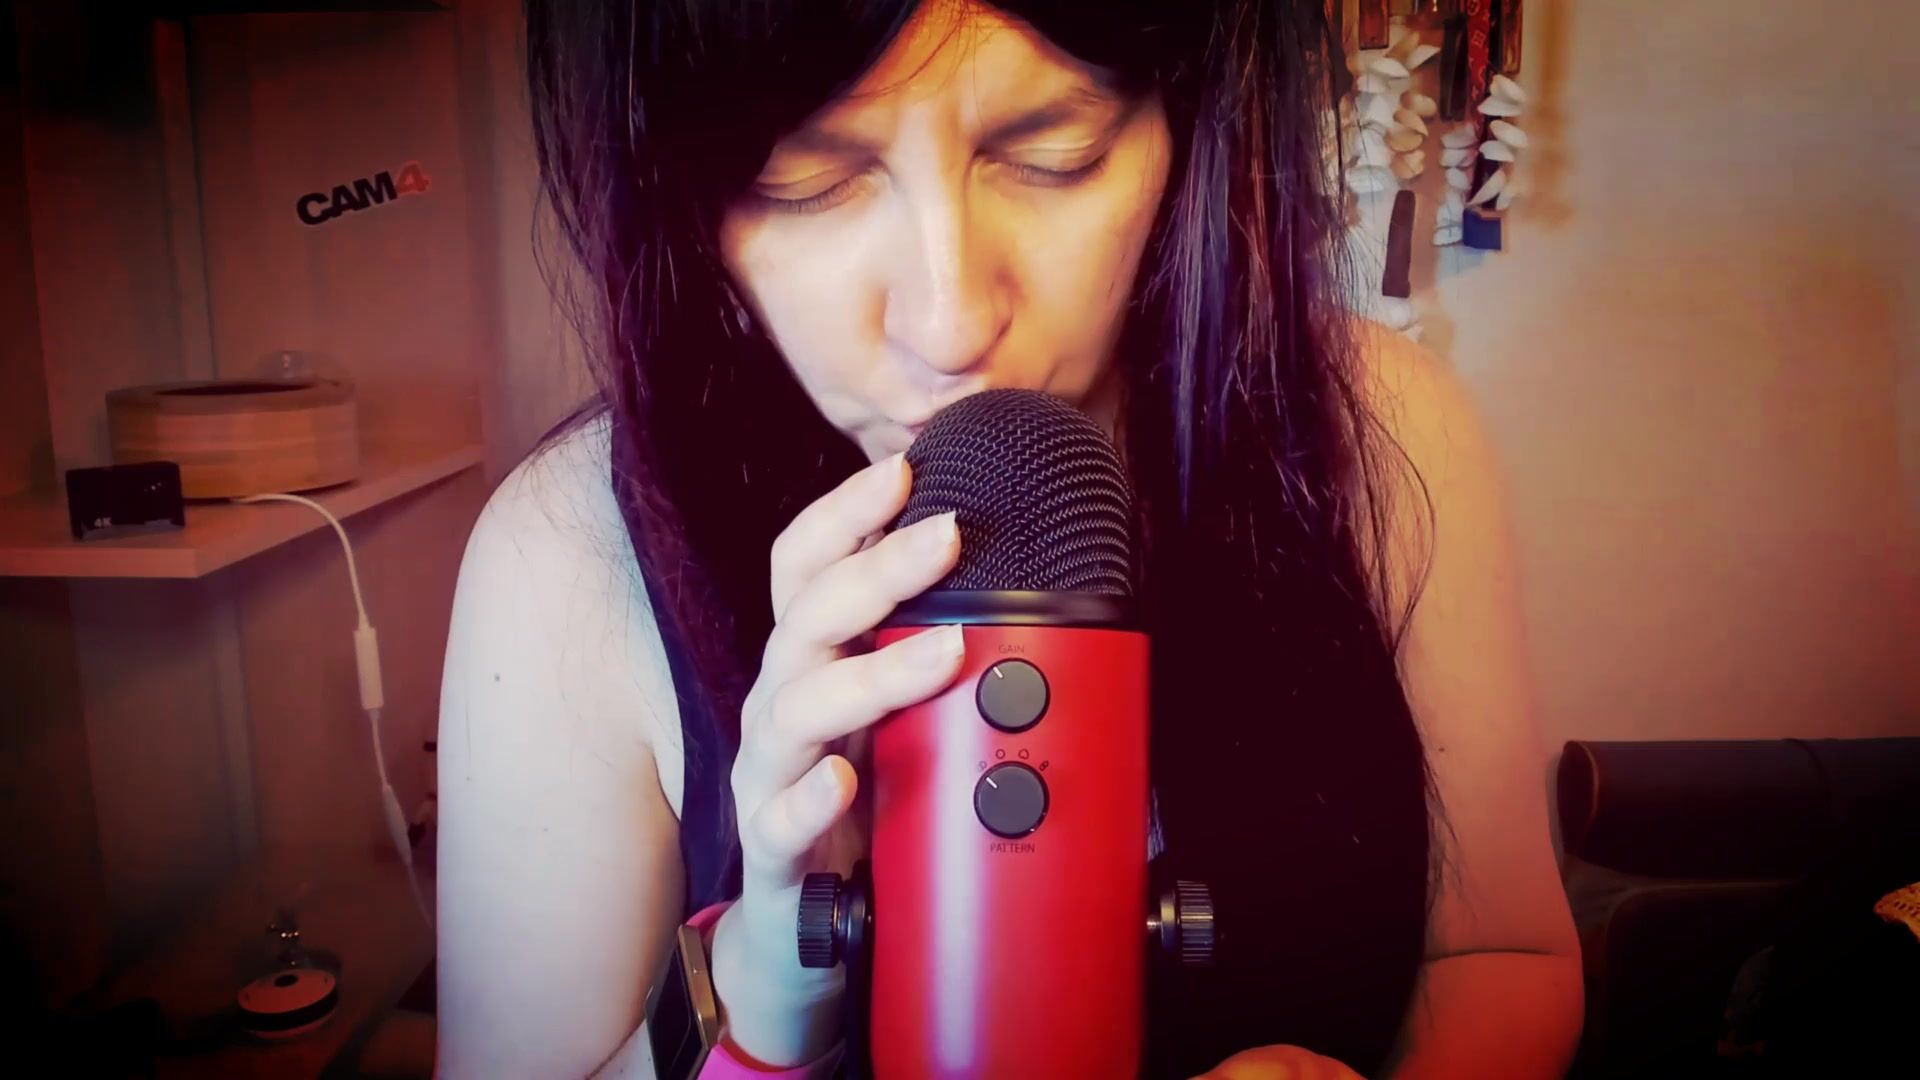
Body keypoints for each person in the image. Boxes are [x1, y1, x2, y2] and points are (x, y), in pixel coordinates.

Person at [435, 1, 1583, 1077]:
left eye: (1056, 154)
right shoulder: (565, 559)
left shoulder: (1382, 429)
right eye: (806, 179)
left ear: (1186, 119)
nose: (951, 324)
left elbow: (1506, 958)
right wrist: (762, 983)